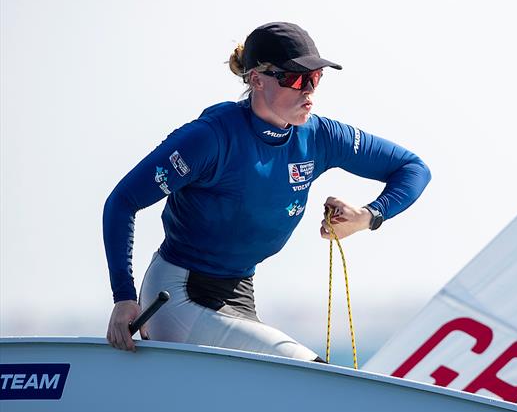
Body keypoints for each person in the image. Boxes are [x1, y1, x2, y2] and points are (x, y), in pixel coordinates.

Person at [103, 22, 431, 361]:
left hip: (240, 296)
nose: (308, 91)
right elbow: (122, 201)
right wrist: (124, 298)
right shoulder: (209, 138)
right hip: (178, 296)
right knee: (315, 375)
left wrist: (368, 216)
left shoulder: (320, 137)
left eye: (315, 78)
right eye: (295, 78)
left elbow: (413, 168)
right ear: (256, 79)